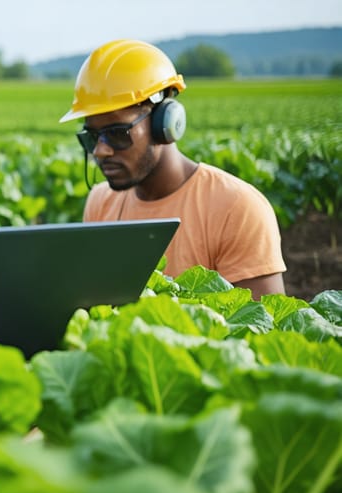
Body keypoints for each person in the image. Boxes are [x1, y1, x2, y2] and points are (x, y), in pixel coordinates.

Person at [59, 39, 286, 300]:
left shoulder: (238, 208)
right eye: (92, 137)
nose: (100, 150)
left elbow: (263, 327)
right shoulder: (100, 203)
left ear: (165, 123)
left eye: (117, 133)